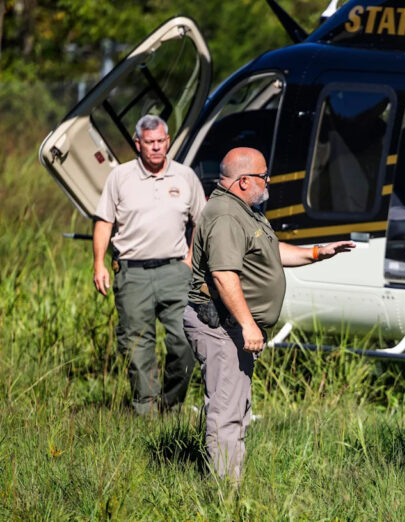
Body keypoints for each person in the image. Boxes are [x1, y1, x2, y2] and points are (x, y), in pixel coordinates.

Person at [183, 147, 354, 480]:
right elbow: (224, 276)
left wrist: (317, 252)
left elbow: (270, 250)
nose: (269, 180)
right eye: (264, 176)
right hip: (220, 325)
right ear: (244, 181)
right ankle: (223, 492)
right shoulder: (226, 216)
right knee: (226, 410)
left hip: (233, 324)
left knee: (237, 407)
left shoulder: (245, 210)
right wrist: (248, 325)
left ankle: (230, 481)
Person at [93, 114, 206, 415]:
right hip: (132, 273)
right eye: (149, 142)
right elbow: (104, 222)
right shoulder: (120, 177)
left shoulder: (185, 177)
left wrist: (190, 259)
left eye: (160, 141)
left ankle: (171, 405)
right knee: (137, 346)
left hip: (175, 272)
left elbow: (202, 221)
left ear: (167, 141)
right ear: (137, 144)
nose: (156, 147)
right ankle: (146, 412)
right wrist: (98, 264)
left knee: (185, 340)